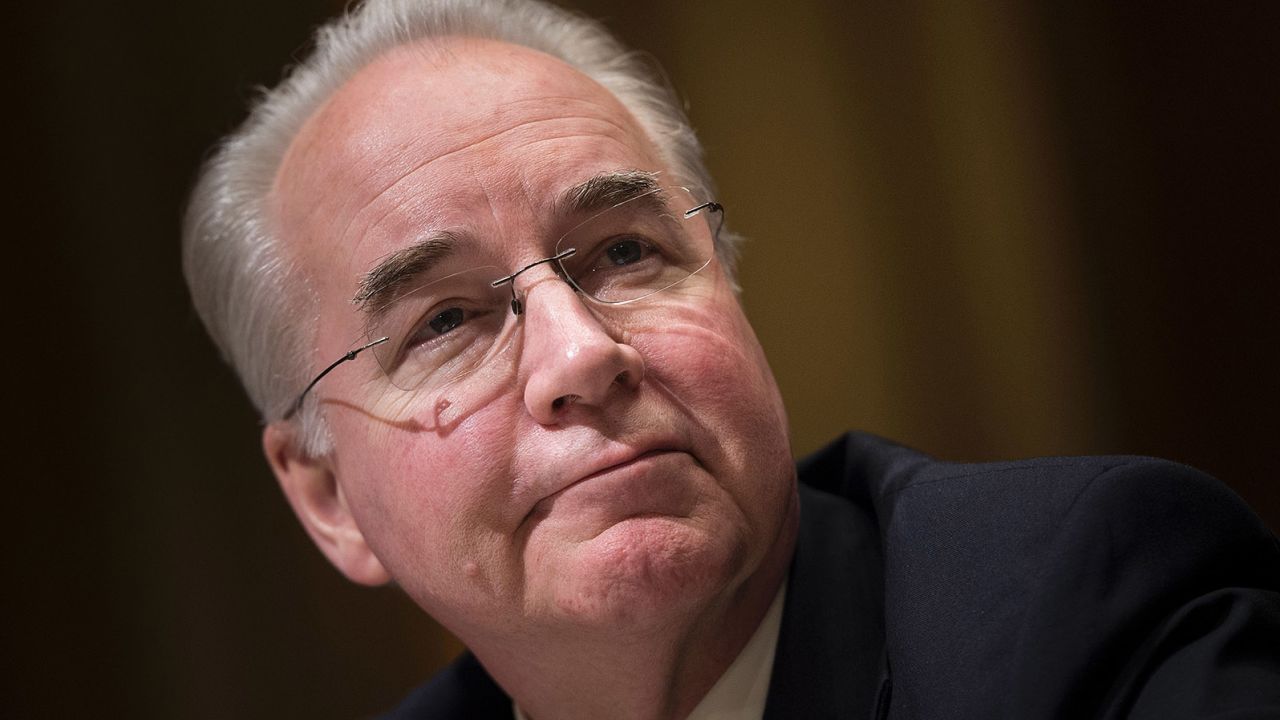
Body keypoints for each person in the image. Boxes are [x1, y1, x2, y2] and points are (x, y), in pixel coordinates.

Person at [181, 0, 1280, 717]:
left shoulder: (1081, 613)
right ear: (325, 497)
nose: (579, 354)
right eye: (445, 322)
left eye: (621, 252)